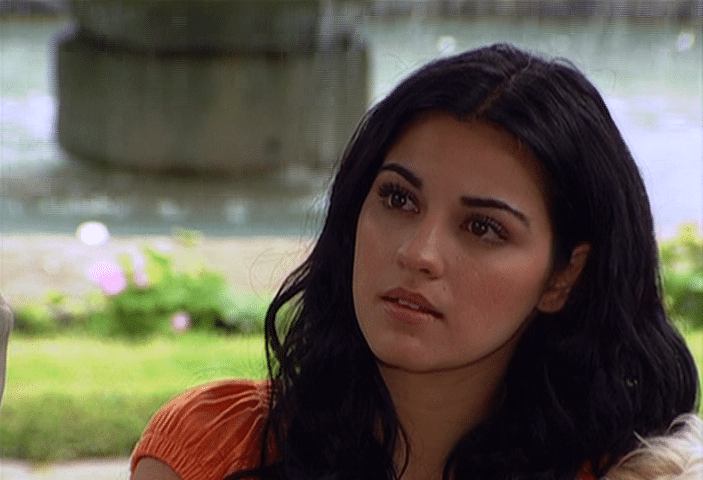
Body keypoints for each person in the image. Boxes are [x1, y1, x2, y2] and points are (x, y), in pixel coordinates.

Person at [131, 43, 700, 480]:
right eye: (399, 199)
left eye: (483, 228)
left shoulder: (636, 474)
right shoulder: (214, 452)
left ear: (564, 276)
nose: (418, 253)